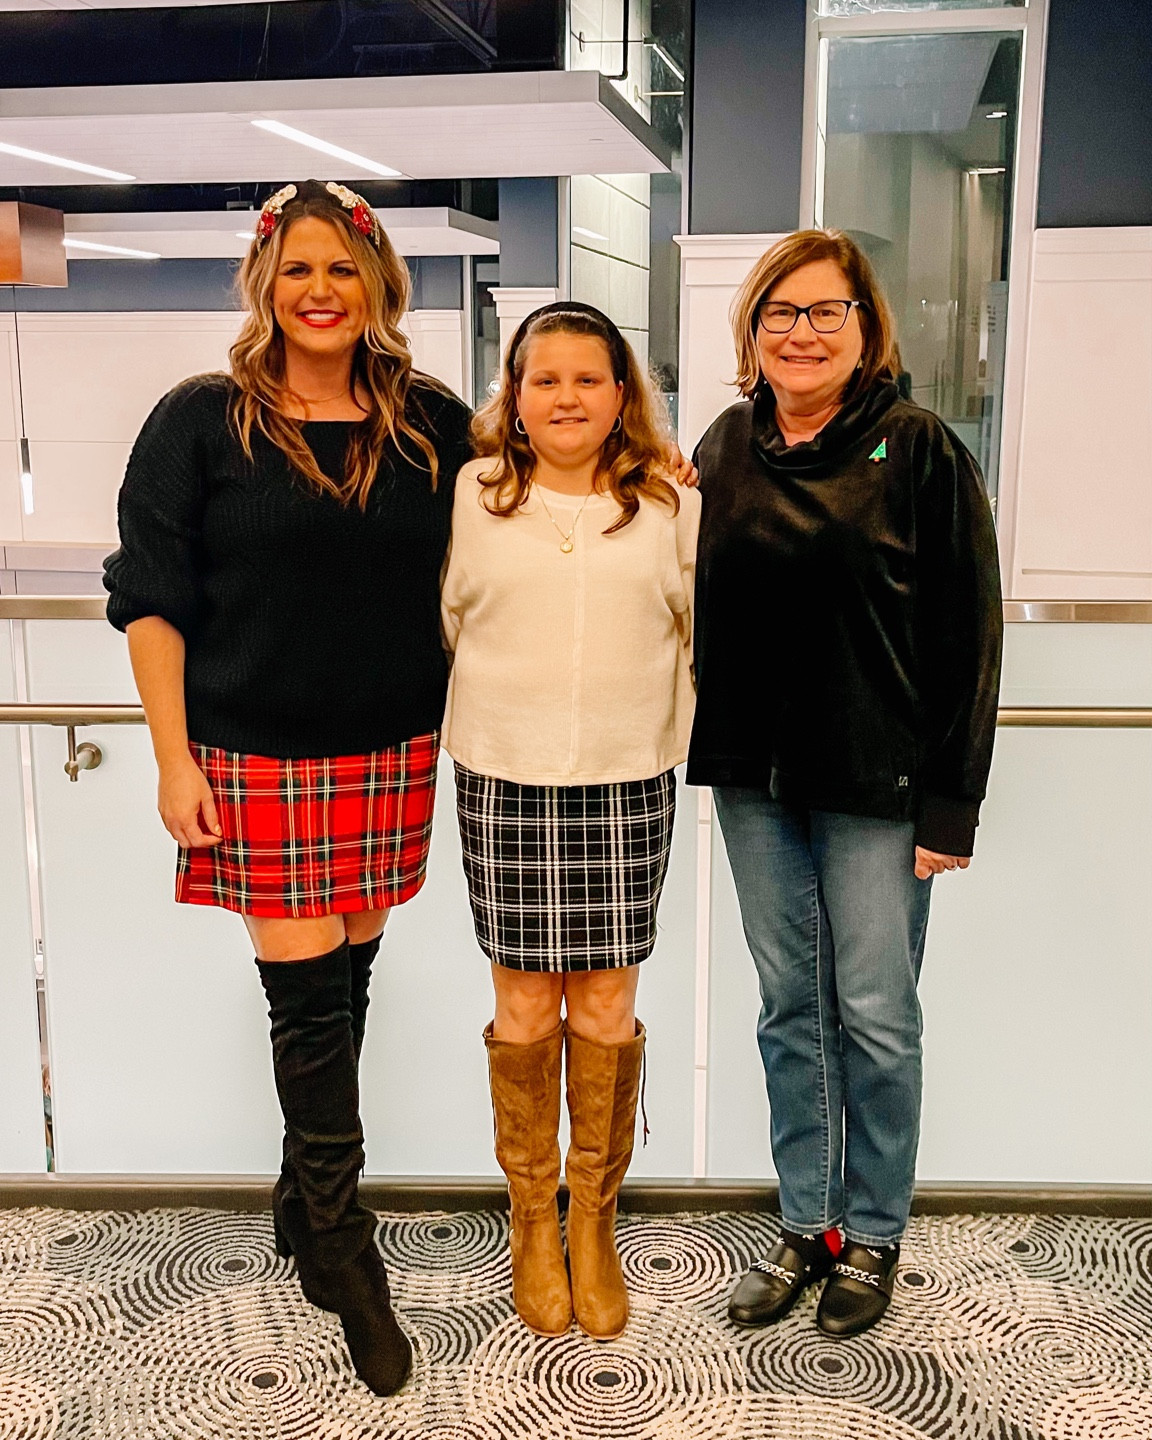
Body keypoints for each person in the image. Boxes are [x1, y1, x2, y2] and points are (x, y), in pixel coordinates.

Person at [103, 179, 472, 1396]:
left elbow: (531, 503)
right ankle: (345, 1253)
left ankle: (296, 1197)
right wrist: (172, 758)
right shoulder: (201, 422)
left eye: (342, 268)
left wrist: (655, 464)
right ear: (267, 283)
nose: (321, 291)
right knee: (308, 1007)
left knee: (349, 982)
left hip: (391, 748)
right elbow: (149, 598)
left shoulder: (430, 421)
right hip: (254, 756)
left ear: (378, 283)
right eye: (299, 269)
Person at [687, 230, 1002, 1338]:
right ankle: (807, 1224)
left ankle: (873, 1232)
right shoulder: (725, 444)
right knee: (790, 1009)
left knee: (875, 1013)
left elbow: (970, 632)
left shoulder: (918, 448)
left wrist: (953, 803)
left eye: (827, 311)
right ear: (753, 330)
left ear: (866, 328)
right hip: (755, 777)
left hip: (879, 781)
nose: (803, 332)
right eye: (781, 312)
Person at [441, 302, 700, 1341]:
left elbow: (696, 627)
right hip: (504, 772)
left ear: (621, 392)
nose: (565, 398)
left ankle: (592, 1219)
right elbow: (447, 618)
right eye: (543, 379)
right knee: (521, 1004)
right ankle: (530, 1222)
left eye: (588, 379)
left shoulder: (670, 503)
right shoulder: (472, 494)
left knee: (603, 1002)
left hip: (626, 777)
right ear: (514, 394)